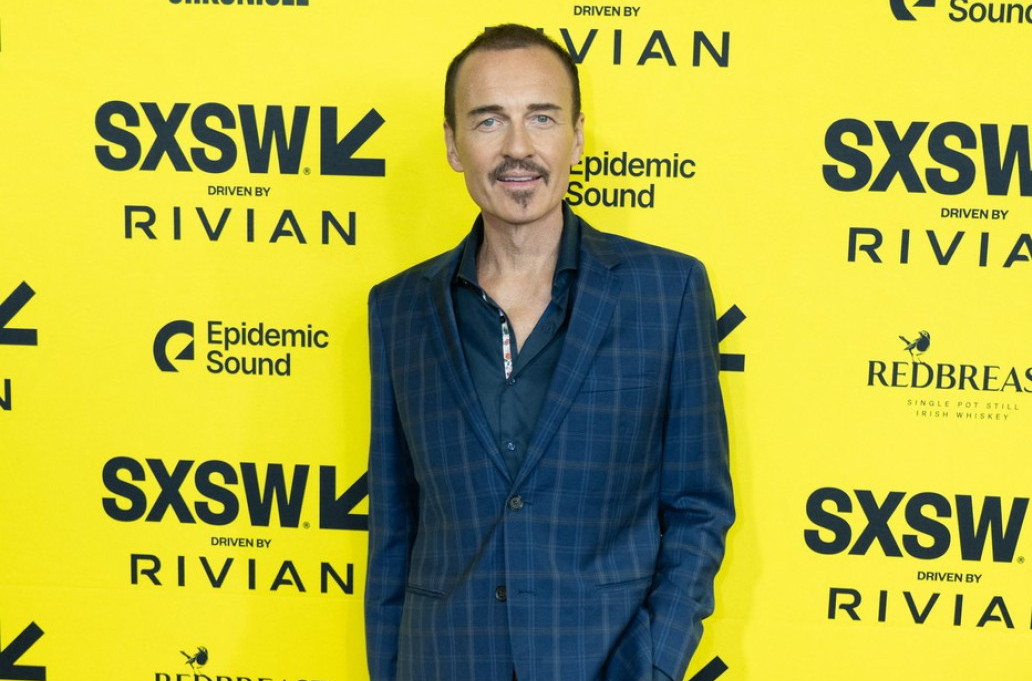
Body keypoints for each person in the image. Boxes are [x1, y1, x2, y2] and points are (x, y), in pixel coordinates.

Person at [365, 24, 734, 681]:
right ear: (452, 144)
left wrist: (653, 664)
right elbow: (394, 528)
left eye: (542, 117)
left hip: (606, 662)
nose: (518, 148)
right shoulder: (399, 308)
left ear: (577, 136)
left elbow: (698, 508)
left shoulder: (666, 291)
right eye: (488, 120)